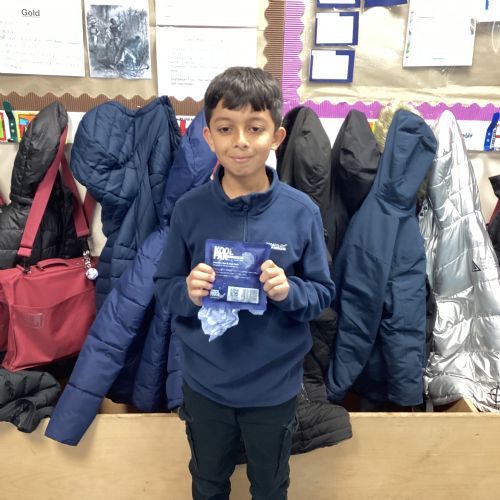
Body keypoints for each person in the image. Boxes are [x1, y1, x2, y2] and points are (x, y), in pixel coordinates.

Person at [154, 66, 335, 500]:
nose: (240, 141)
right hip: (205, 386)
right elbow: (164, 287)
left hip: (274, 390)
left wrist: (289, 291)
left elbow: (323, 293)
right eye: (225, 128)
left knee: (270, 487)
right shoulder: (190, 209)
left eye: (255, 128)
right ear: (208, 136)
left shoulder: (301, 212)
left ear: (277, 136)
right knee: (208, 483)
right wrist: (188, 291)